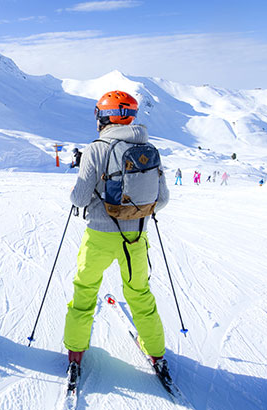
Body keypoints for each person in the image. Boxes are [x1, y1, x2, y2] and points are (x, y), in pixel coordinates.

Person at [66, 90, 171, 379]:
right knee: (140, 295)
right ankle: (156, 351)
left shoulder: (96, 149)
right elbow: (161, 200)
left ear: (103, 117)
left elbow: (79, 198)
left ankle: (76, 352)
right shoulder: (150, 149)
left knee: (85, 291)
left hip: (99, 236)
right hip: (135, 238)